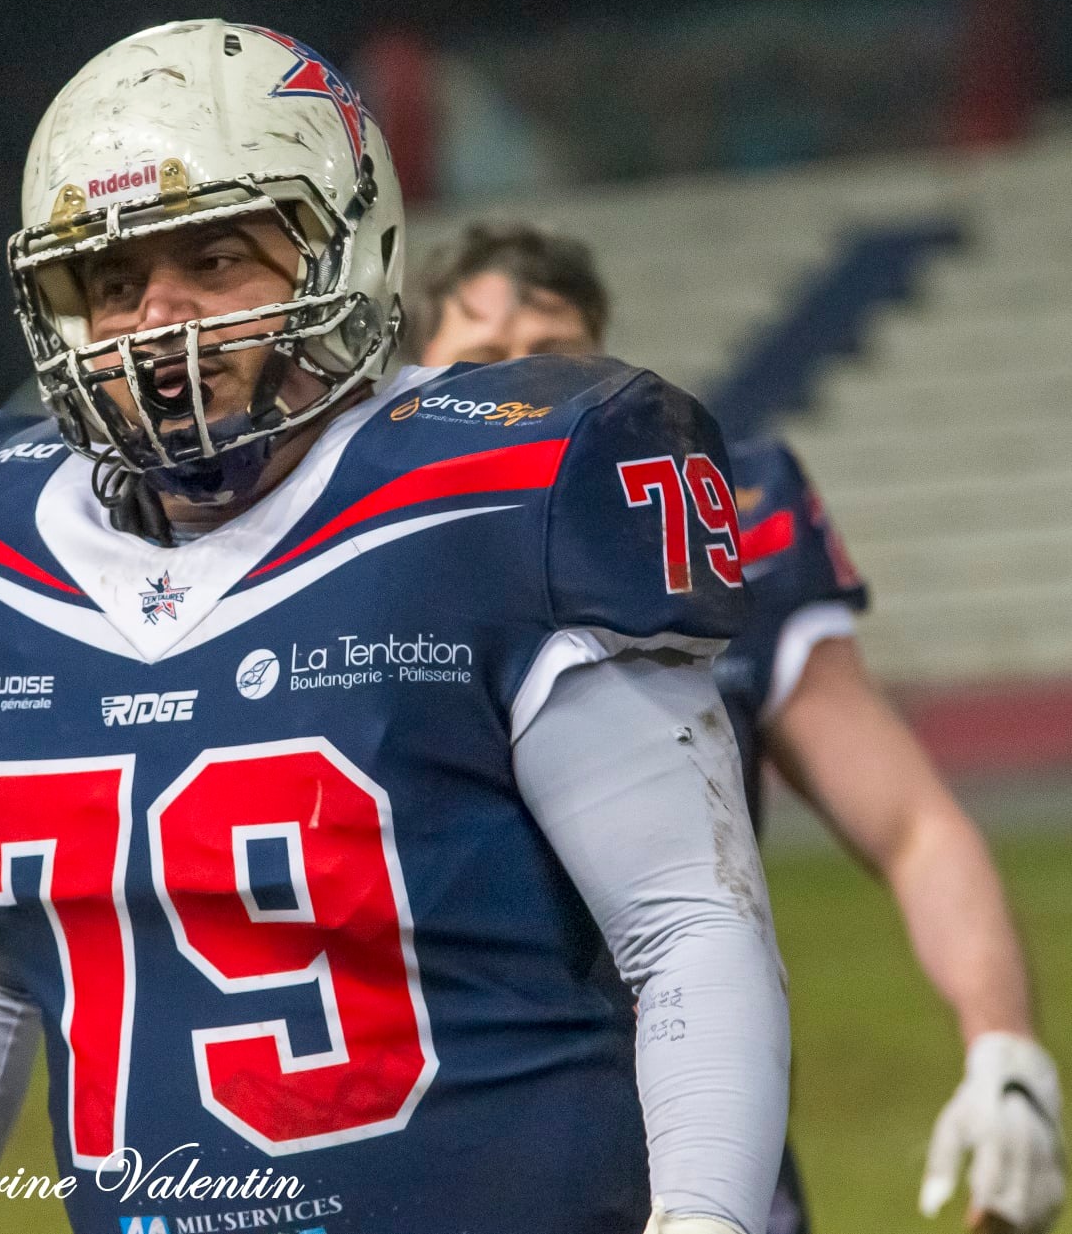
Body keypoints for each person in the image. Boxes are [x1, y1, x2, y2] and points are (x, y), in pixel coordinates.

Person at [0, 19, 789, 1234]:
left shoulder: (500, 494)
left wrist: (705, 1220)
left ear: (344, 250)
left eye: (215, 258)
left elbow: (686, 923)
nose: (157, 321)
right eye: (114, 281)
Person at [413, 221, 1066, 1234]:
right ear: (413, 384)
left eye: (551, 357)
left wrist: (1003, 1047)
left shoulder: (701, 517)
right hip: (455, 1137)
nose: (519, 393)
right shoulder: (354, 556)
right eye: (482, 360)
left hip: (704, 1116)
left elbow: (911, 825)